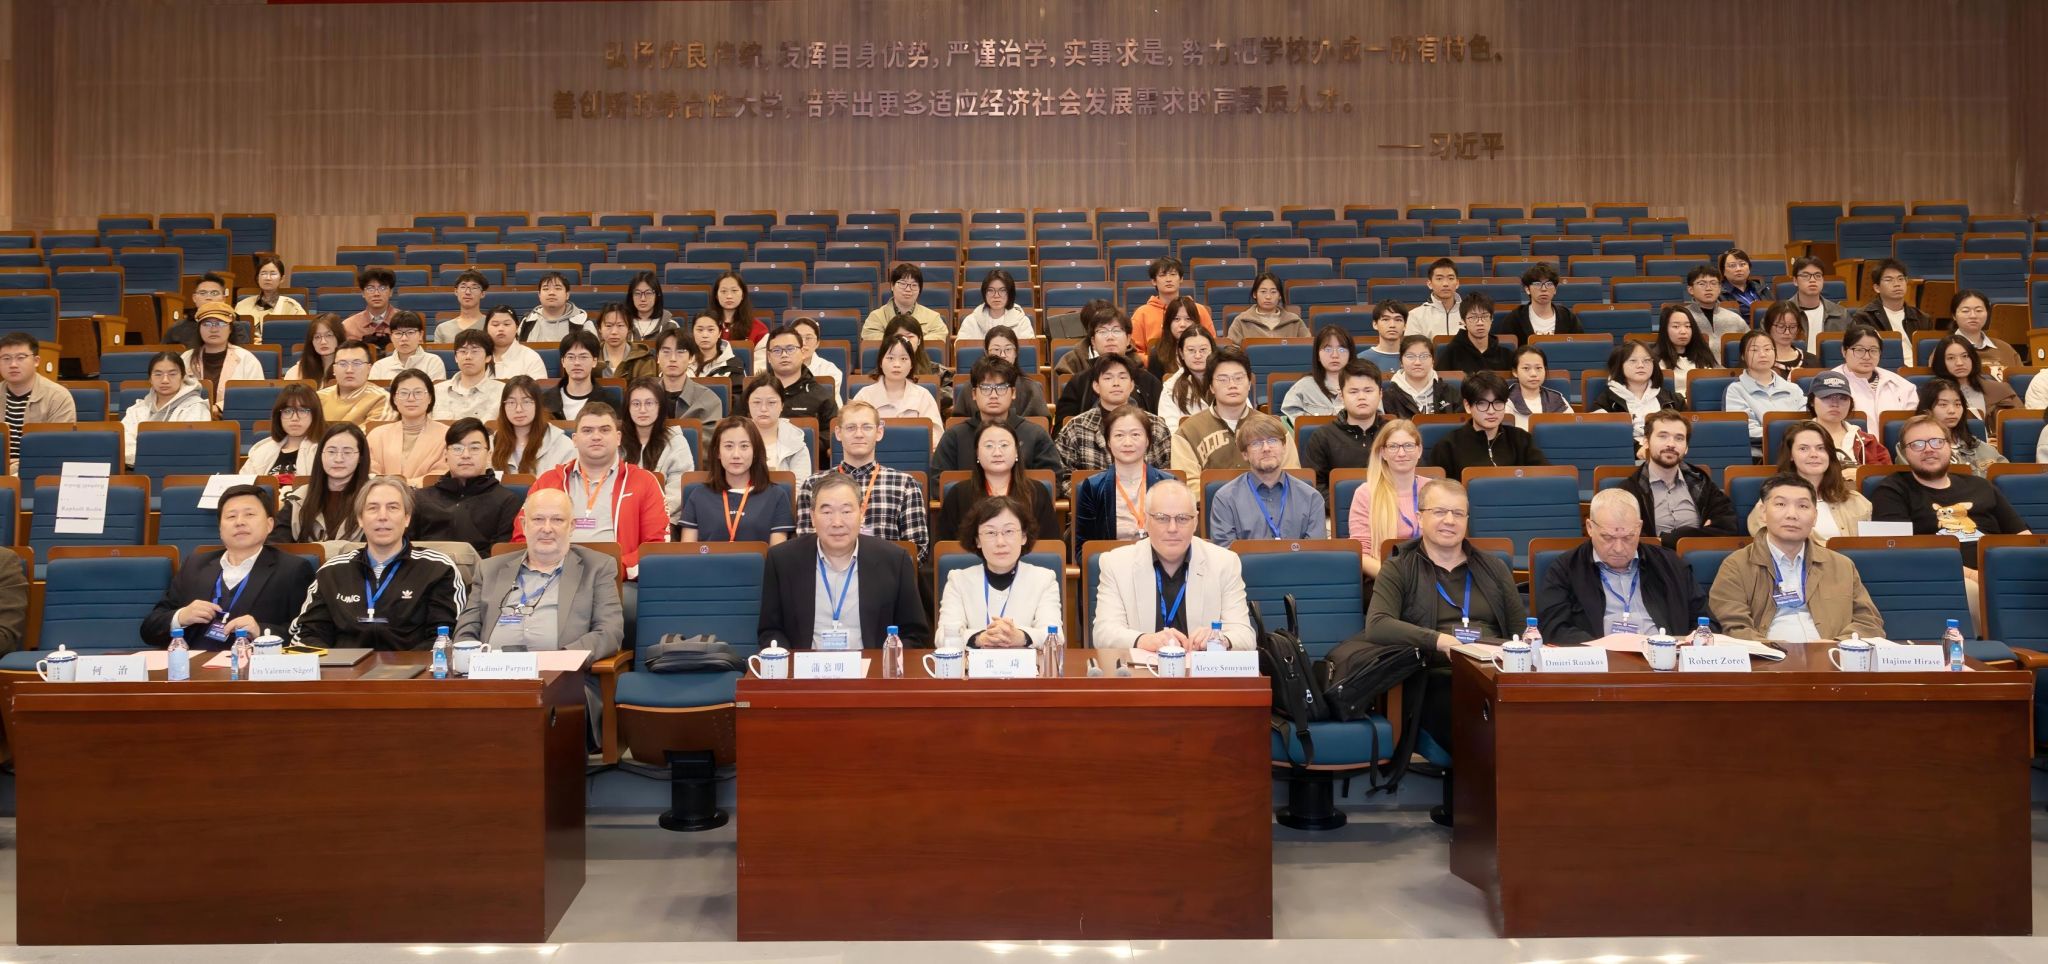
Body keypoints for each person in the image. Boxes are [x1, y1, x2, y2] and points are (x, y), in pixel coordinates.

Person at [1364, 479, 1525, 825]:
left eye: (1458, 513)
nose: (1449, 520)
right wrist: (1441, 641)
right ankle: (1488, 820)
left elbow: (1518, 632)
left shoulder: (1493, 568)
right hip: (1433, 675)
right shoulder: (1400, 567)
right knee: (1477, 717)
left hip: (1493, 670)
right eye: (1439, 512)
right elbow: (1377, 625)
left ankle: (1520, 814)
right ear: (1420, 516)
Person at [289, 477, 467, 650]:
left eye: (392, 507)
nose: (382, 516)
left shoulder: (438, 569)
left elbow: (445, 638)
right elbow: (307, 636)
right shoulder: (331, 572)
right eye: (373, 508)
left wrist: (406, 667)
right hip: (344, 669)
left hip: (415, 669)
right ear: (360, 519)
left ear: (407, 518)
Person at [758, 472, 931, 649]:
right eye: (827, 512)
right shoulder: (782, 560)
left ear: (862, 512)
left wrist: (887, 660)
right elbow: (770, 631)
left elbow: (914, 634)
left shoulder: (894, 560)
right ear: (812, 516)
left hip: (872, 665)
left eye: (846, 511)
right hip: (806, 664)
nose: (837, 522)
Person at [1711, 474, 1884, 643]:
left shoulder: (1841, 565)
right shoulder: (1737, 565)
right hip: (1768, 657)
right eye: (1780, 504)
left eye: (1803, 506)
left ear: (1815, 516)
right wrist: (1773, 651)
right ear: (1763, 512)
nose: (1792, 514)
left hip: (1832, 655)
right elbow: (1734, 628)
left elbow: (1869, 622)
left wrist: (1836, 645)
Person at [453, 488, 623, 657]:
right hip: (491, 670)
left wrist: (563, 659)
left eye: (557, 520)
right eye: (538, 519)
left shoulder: (597, 567)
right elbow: (465, 631)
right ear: (524, 525)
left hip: (560, 670)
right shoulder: (489, 569)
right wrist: (474, 661)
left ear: (571, 526)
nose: (547, 528)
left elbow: (609, 632)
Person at [141, 484, 317, 647]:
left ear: (269, 525)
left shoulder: (292, 570)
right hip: (193, 666)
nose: (239, 522)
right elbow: (149, 630)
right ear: (220, 528)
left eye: (249, 514)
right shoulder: (194, 565)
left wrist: (261, 631)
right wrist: (181, 617)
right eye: (231, 516)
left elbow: (308, 634)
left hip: (253, 665)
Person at [1093, 480, 1254, 650]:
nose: (1172, 528)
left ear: (1195, 522)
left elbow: (1245, 636)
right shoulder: (1116, 564)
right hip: (1142, 666)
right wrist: (1143, 640)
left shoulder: (1225, 563)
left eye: (1182, 518)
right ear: (1146, 521)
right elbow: (1103, 634)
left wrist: (1220, 639)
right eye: (1161, 518)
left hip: (1199, 666)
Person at [1535, 489, 1709, 645]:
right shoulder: (1566, 569)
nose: (1618, 548)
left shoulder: (1671, 565)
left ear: (1639, 528)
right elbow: (1552, 628)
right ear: (1590, 527)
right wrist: (1600, 649)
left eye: (1628, 537)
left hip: (1663, 659)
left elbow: (1705, 623)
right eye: (1608, 537)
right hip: (1600, 661)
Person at [521, 403, 670, 577]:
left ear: (618, 438)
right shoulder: (548, 482)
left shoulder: (644, 482)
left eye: (605, 430)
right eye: (587, 431)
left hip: (618, 580)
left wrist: (614, 569)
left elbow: (656, 546)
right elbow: (521, 536)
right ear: (574, 439)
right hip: (553, 576)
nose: (596, 436)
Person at [794, 401, 932, 560]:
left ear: (879, 432)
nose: (859, 434)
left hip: (885, 572)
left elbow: (916, 549)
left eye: (867, 427)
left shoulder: (904, 484)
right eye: (850, 427)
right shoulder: (813, 484)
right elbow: (805, 546)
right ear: (838, 433)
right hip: (828, 572)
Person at [938, 496, 1063, 648]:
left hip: (1024, 663)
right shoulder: (958, 580)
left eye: (1009, 531)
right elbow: (943, 637)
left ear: (1023, 536)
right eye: (990, 533)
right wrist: (980, 638)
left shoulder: (1044, 579)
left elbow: (1056, 636)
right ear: (977, 540)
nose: (1000, 542)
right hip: (975, 663)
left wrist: (1020, 637)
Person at [1615, 410, 1739, 547]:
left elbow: (1728, 529)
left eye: (1679, 438)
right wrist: (1700, 534)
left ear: (1686, 448)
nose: (1671, 444)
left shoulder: (1701, 482)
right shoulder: (1629, 491)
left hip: (1698, 557)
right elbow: (1629, 540)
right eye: (1663, 436)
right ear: (1646, 442)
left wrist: (1672, 538)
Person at [1207, 413, 1327, 548]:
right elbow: (1225, 553)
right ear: (1245, 454)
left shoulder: (1311, 498)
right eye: (1256, 443)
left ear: (1284, 447)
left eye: (1272, 440)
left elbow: (1315, 552)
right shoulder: (1225, 499)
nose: (1266, 448)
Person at [1171, 345, 1294, 475]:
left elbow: (1292, 476)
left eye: (1238, 378)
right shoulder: (1187, 432)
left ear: (1249, 384)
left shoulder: (1275, 428)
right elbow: (1187, 482)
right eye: (1223, 379)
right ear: (1211, 387)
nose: (1232, 385)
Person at [1745, 420, 1871, 546]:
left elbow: (1868, 549)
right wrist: (1830, 548)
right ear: (1791, 455)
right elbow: (1773, 546)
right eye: (1803, 449)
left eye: (1821, 448)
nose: (1814, 454)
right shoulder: (1772, 503)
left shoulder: (1856, 501)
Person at [410, 418, 523, 555]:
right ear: (446, 455)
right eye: (457, 448)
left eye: (474, 448)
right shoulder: (420, 498)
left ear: (489, 455)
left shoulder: (507, 501)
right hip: (426, 567)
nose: (466, 455)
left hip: (482, 568)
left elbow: (500, 557)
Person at [933, 420, 1058, 542]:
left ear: (1016, 452)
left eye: (1004, 445)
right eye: (989, 446)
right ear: (977, 454)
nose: (997, 453)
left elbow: (1050, 547)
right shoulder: (958, 494)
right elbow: (946, 548)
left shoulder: (1037, 492)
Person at [932, 355, 1058, 476]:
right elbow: (940, 481)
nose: (993, 395)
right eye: (986, 388)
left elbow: (1051, 480)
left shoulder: (1036, 434)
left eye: (1001, 388)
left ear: (1013, 392)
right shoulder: (954, 436)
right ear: (974, 394)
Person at [680, 416, 796, 544]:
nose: (736, 455)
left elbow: (777, 553)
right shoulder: (699, 495)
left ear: (755, 451)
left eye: (744, 446)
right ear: (717, 452)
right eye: (728, 446)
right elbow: (688, 551)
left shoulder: (776, 496)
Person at [1073, 404, 1177, 546]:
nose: (1127, 443)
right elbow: (1084, 548)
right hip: (1110, 558)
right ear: (1108, 442)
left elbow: (1179, 540)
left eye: (1135, 435)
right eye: (1119, 435)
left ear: (1147, 441)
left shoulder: (1169, 484)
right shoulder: (1093, 487)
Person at [1055, 353, 1172, 473]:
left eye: (1122, 377)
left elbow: (1169, 474)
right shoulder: (1076, 427)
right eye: (1108, 378)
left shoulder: (1155, 426)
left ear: (1132, 385)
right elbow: (1063, 476)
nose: (1116, 383)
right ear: (1096, 386)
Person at [1427, 371, 1547, 478]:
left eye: (1498, 403)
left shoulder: (1521, 439)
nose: (1491, 411)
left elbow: (1543, 478)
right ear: (1467, 406)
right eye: (1482, 404)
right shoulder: (1447, 446)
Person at [1349, 419, 1426, 578]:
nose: (1401, 453)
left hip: (1430, 575)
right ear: (1383, 452)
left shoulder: (1434, 490)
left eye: (1408, 445)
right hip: (1384, 577)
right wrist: (1395, 580)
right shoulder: (1366, 493)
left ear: (1419, 451)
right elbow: (1362, 554)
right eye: (1393, 446)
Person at [1057, 306, 1163, 415]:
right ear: (1093, 342)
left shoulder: (1149, 382)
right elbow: (1065, 423)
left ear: (1128, 339)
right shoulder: (1079, 383)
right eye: (1102, 331)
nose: (1110, 337)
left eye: (1116, 330)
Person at [276, 423, 369, 543]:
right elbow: (276, 545)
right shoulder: (299, 498)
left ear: (361, 457)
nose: (338, 459)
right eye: (331, 451)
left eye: (347, 452)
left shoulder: (373, 499)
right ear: (320, 455)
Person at [620, 379, 697, 521]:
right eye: (636, 404)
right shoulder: (616, 441)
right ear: (627, 408)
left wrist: (646, 514)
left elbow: (678, 491)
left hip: (664, 518)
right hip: (621, 517)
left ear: (660, 406)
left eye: (649, 403)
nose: (642, 410)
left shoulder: (676, 442)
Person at [0, 332, 76, 471]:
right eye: (6, 358)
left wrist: (16, 466)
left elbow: (59, 449)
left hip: (38, 471)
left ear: (36, 361)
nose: (13, 364)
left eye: (20, 358)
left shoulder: (58, 397)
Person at [1304, 360, 1384, 487]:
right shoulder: (1323, 437)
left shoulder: (1394, 434)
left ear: (1380, 394)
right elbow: (1314, 487)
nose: (1361, 397)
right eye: (1353, 392)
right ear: (1341, 396)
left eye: (1368, 391)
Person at [120, 351, 209, 464]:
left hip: (181, 470)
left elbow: (192, 446)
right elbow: (124, 443)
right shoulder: (136, 409)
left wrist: (149, 457)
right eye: (158, 374)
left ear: (182, 377)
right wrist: (153, 460)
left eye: (172, 374)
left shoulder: (196, 407)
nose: (165, 380)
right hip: (138, 469)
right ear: (150, 379)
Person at [1589, 340, 1686, 442]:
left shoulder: (1674, 401)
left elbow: (1685, 435)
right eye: (1633, 360)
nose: (1641, 365)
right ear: (1620, 365)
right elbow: (1602, 437)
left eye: (1646, 360)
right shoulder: (1605, 402)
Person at [365, 370, 448, 486]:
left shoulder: (447, 435)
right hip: (383, 494)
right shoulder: (377, 435)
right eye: (404, 393)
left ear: (430, 398)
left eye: (418, 393)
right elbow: (370, 472)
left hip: (429, 494)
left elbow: (441, 474)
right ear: (394, 399)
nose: (411, 398)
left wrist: (403, 485)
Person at [1725, 330, 1807, 444]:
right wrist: (1788, 433)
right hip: (1759, 450)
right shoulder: (1736, 390)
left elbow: (1806, 422)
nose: (1762, 354)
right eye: (1754, 350)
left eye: (1767, 349)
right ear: (1743, 356)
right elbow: (1746, 430)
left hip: (1797, 446)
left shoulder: (1793, 389)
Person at [852, 332, 944, 435]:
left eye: (903, 359)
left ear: (911, 364)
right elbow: (851, 432)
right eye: (890, 358)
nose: (897, 364)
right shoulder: (864, 396)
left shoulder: (923, 396)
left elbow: (936, 436)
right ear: (880, 362)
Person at [948, 325, 1048, 418]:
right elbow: (959, 422)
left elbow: (1041, 424)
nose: (1002, 355)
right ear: (986, 353)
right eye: (996, 349)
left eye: (1008, 349)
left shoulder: (1031, 388)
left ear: (1016, 352)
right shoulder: (970, 388)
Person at [182, 303, 265, 413]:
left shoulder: (247, 359)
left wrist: (219, 408)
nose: (213, 329)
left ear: (230, 329)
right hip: (192, 418)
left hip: (236, 418)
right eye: (207, 324)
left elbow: (256, 397)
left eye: (221, 323)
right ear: (199, 329)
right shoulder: (186, 358)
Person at [1829, 322, 1917, 427]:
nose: (1867, 357)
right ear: (1844, 351)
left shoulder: (1902, 385)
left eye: (1873, 350)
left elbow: (1912, 425)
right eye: (1859, 350)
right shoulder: (1830, 384)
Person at [1915, 378, 2007, 473]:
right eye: (1943, 404)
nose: (1952, 411)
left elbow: (2005, 475)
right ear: (1927, 410)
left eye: (1958, 404)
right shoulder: (1915, 448)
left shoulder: (1975, 445)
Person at [1805, 371, 1891, 472]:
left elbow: (1886, 476)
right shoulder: (1797, 438)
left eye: (1843, 398)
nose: (1835, 404)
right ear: (1812, 401)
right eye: (1826, 397)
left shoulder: (1868, 441)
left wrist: (1860, 475)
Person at [750, 316, 847, 403]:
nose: (803, 343)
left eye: (808, 338)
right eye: (799, 338)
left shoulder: (831, 370)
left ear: (817, 343)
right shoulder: (775, 369)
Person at [490, 376, 575, 475]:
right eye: (511, 402)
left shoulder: (563, 445)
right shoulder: (491, 444)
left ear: (538, 405)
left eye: (526, 402)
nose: (518, 409)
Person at [242, 383, 325, 484]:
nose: (294, 418)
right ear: (279, 416)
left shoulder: (325, 451)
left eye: (302, 410)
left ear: (315, 415)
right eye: (287, 411)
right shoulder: (261, 451)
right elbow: (243, 486)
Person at [1130, 257, 1215, 350]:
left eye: (1173, 274)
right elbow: (1135, 351)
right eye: (1162, 275)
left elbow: (1211, 346)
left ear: (1181, 279)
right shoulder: (1142, 313)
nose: (1168, 279)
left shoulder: (1199, 310)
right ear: (1154, 281)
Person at [763, 324, 839, 426]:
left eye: (790, 349)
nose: (784, 355)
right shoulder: (755, 394)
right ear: (769, 356)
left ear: (802, 352)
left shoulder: (822, 397)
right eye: (777, 350)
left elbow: (832, 433)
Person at [1852, 258, 1935, 349]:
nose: (1897, 284)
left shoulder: (1922, 318)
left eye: (1900, 279)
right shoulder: (1865, 317)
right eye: (1889, 280)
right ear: (1877, 288)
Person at [1933, 334, 2018, 421]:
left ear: (1973, 358)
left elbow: (2021, 422)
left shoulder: (2001, 389)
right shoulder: (1932, 393)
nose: (1959, 363)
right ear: (1941, 362)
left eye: (1965, 356)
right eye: (1951, 358)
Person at [743, 373, 815, 476]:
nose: (763, 409)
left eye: (771, 403)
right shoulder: (734, 436)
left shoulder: (795, 442)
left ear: (782, 405)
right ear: (748, 404)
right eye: (756, 402)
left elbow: (801, 484)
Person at [542, 330, 622, 421]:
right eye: (571, 357)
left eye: (583, 357)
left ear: (594, 361)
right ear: (563, 361)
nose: (577, 363)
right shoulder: (545, 400)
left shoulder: (609, 402)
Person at [650, 328, 726, 423]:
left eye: (680, 352)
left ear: (691, 358)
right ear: (657, 357)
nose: (673, 358)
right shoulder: (644, 398)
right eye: (666, 351)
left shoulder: (709, 400)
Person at [861, 263, 949, 343]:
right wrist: (908, 341)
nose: (908, 289)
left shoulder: (933, 318)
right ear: (892, 286)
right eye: (903, 284)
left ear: (920, 290)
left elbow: (939, 337)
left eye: (914, 285)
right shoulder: (876, 317)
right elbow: (870, 338)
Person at [1282, 325, 1355, 420]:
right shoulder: (1304, 386)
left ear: (1350, 354)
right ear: (1317, 355)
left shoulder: (1362, 384)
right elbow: (1291, 416)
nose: (1335, 355)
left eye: (1341, 349)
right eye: (1328, 349)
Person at [433, 329, 504, 422]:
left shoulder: (502, 392)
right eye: (463, 351)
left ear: (488, 357)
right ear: (455, 357)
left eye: (475, 351)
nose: (468, 357)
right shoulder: (436, 391)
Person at [165, 273, 252, 349]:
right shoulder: (178, 328)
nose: (208, 297)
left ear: (223, 298)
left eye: (214, 293)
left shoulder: (235, 327)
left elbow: (241, 356)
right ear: (194, 298)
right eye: (203, 293)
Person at [1155, 324, 1216, 432]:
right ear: (1181, 353)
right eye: (1191, 350)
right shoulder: (1171, 388)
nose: (1198, 356)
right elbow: (1169, 431)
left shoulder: (1228, 379)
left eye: (1203, 350)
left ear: (1212, 351)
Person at [1383, 334, 1461, 419]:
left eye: (1424, 356)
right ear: (1401, 362)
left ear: (1433, 361)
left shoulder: (1450, 393)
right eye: (1410, 356)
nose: (1417, 362)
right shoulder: (1388, 397)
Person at [1496, 263, 1580, 340]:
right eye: (1537, 284)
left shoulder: (1568, 317)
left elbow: (1578, 346)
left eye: (1549, 284)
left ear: (1555, 289)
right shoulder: (1514, 319)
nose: (1543, 289)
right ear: (1527, 289)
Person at [1436, 294, 1514, 376]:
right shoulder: (1451, 353)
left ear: (1491, 319)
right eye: (1473, 317)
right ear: (1463, 321)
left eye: (1485, 316)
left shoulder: (1506, 355)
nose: (1480, 323)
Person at [316, 341, 393, 425]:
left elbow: (375, 431)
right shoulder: (318, 397)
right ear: (334, 369)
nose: (349, 370)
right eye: (343, 364)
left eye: (357, 363)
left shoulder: (382, 398)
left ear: (369, 368)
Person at [1949, 289, 2022, 376]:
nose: (1973, 316)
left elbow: (2021, 380)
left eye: (1979, 310)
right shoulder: (1945, 349)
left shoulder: (2005, 348)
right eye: (1965, 311)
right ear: (1954, 315)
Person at [1785, 257, 1851, 352]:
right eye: (1806, 275)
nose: (1812, 280)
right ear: (1795, 281)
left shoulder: (1841, 314)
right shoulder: (1781, 313)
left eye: (1818, 275)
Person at [235, 255, 306, 338]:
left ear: (282, 279)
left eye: (273, 274)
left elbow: (302, 335)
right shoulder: (242, 305)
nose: (268, 278)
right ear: (257, 278)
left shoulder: (293, 308)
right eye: (263, 273)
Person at [367, 311, 447, 383]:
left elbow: (437, 393)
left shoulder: (433, 362)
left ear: (420, 335)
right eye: (398, 333)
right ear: (391, 337)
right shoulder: (379, 366)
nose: (404, 338)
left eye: (410, 332)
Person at [956, 269, 1035, 339]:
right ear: (984, 293)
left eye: (1002, 290)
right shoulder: (971, 321)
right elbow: (961, 348)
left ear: (1010, 293)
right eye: (991, 290)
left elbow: (1027, 349)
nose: (996, 295)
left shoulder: (1022, 321)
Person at [1506, 346, 1572, 429]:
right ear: (1515, 372)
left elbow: (1571, 429)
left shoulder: (1557, 399)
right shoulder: (1505, 401)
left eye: (1538, 368)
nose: (1533, 374)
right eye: (1526, 368)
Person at [1228, 271, 1308, 340]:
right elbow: (1231, 350)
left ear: (1280, 295)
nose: (1268, 297)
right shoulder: (1241, 321)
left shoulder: (1295, 321)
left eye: (1273, 292)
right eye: (1263, 291)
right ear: (1255, 294)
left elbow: (1308, 346)